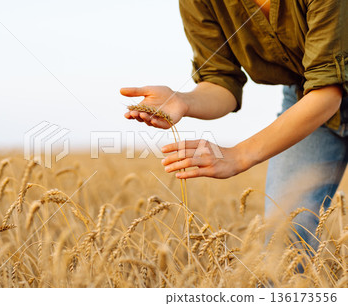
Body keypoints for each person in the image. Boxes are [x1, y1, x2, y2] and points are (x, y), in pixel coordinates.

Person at [121, 0, 347, 255]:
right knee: (285, 235)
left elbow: (328, 92)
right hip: (306, 97)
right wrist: (183, 101)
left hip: (321, 95)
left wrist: (239, 155)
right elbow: (220, 82)